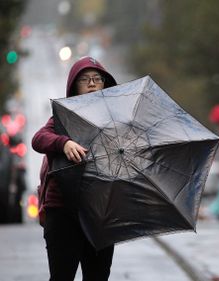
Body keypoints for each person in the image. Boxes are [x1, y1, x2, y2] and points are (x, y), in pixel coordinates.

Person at [32, 56, 117, 281]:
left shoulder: (116, 120)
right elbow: (38, 139)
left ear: (104, 85)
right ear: (73, 87)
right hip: (62, 211)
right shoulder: (62, 117)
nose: (91, 83)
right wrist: (64, 143)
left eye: (97, 79)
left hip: (100, 212)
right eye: (84, 79)